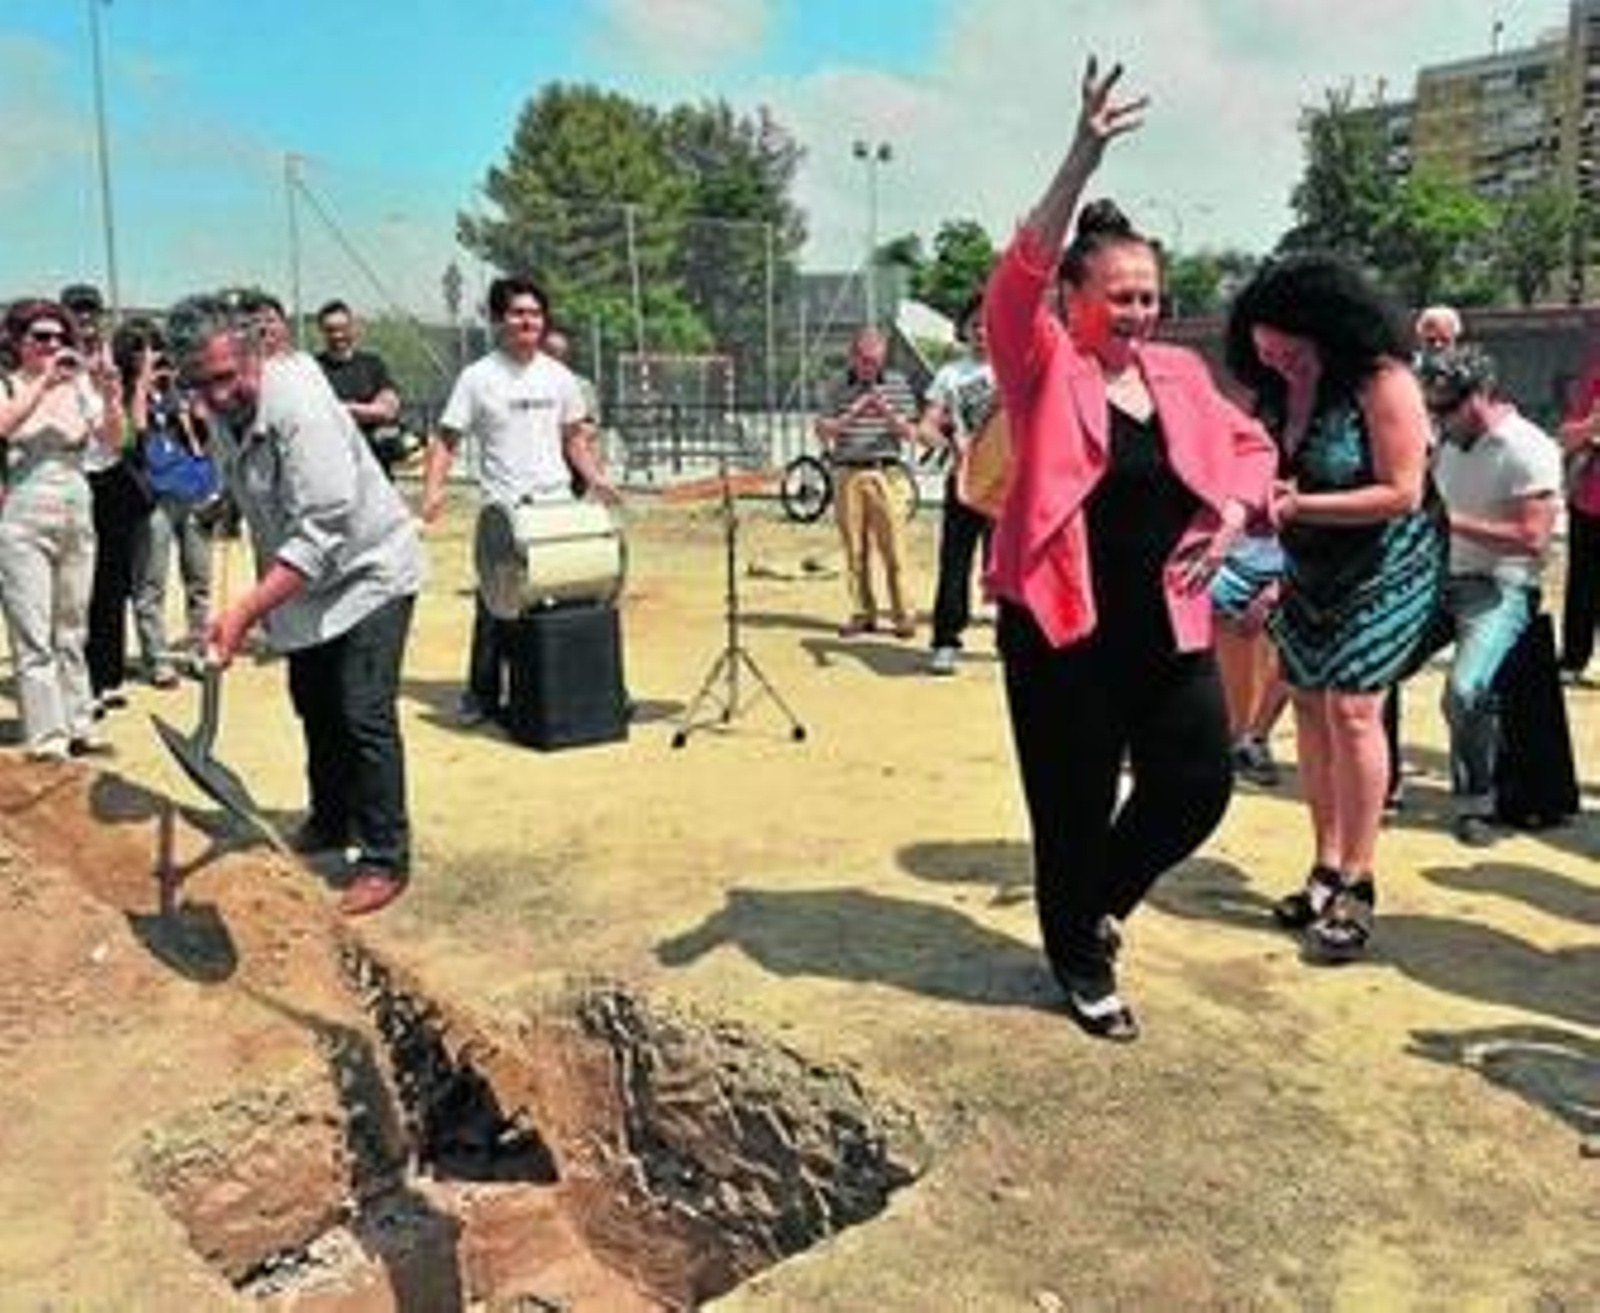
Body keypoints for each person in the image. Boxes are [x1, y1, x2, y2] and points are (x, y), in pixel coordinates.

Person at [983, 59, 1276, 1039]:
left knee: (1196, 783)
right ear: (1072, 295)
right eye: (1119, 295)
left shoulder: (1182, 373)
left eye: (1149, 295)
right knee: (1069, 804)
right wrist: (1083, 154)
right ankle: (1079, 957)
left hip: (1166, 623)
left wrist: (1231, 513)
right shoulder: (1041, 363)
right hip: (1060, 629)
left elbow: (1252, 450)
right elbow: (1018, 273)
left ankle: (1095, 901)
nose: (1138, 311)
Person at [167, 292, 425, 917]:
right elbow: (244, 473)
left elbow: (321, 534)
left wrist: (243, 613)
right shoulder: (222, 408)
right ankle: (332, 819)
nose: (217, 395)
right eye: (200, 384)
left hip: (367, 573)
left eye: (226, 377)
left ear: (255, 354)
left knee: (362, 713)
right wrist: (227, 503)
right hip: (302, 587)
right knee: (314, 702)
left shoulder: (301, 407)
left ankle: (385, 856)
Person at [1225, 256, 1445, 963]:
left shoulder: (1382, 381)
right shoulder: (1273, 392)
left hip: (1389, 564)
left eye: (1291, 352)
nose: (1280, 365)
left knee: (1353, 708)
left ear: (1328, 329)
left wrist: (1299, 505)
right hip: (1307, 566)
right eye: (1265, 355)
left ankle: (1358, 878)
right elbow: (1253, 469)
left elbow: (1403, 491)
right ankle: (1323, 865)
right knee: (1310, 705)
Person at [420, 275, 616, 727]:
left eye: (535, 314)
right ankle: (481, 695)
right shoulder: (477, 378)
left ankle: (562, 691)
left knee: (568, 595)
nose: (528, 321)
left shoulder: (559, 377)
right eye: (518, 313)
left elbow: (574, 438)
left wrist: (594, 478)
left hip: (557, 506)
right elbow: (446, 440)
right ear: (498, 319)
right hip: (504, 510)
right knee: (497, 605)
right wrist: (433, 490)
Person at [1418, 345, 1562, 846]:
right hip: (1441, 579)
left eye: (1447, 407)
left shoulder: (1527, 447)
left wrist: (1450, 522)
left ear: (1480, 395)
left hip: (1502, 584)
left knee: (1465, 691)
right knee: (1370, 665)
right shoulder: (1447, 443)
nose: (1438, 417)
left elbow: (1533, 538)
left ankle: (1476, 803)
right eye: (1432, 407)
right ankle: (1379, 781)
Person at [0, 298, 124, 759]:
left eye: (60, 337)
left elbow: (112, 442)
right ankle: (47, 736)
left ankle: (79, 724)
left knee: (72, 625)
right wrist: (43, 383)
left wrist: (110, 395)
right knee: (33, 628)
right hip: (25, 505)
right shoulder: (9, 384)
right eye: (41, 337)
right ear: (18, 341)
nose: (53, 345)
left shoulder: (79, 388)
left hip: (77, 497)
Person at [64, 286, 150, 716]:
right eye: (76, 312)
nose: (85, 320)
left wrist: (116, 385)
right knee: (81, 586)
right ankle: (85, 681)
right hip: (74, 479)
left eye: (91, 312)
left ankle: (110, 675)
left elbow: (131, 431)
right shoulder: (58, 366)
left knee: (114, 583)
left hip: (112, 478)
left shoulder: (113, 362)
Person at [123, 323, 218, 688]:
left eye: (157, 348)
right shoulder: (125, 390)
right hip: (155, 498)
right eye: (142, 349)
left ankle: (198, 650)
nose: (153, 356)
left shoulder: (179, 391)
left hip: (192, 491)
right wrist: (143, 379)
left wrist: (192, 406)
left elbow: (203, 434)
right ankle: (157, 659)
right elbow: (137, 426)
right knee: (151, 583)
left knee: (199, 578)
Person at [814, 326, 920, 639]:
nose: (868, 366)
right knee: (855, 550)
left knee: (894, 548)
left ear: (883, 357)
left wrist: (886, 412)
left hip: (886, 470)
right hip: (848, 471)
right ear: (852, 356)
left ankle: (903, 615)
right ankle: (863, 613)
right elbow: (823, 429)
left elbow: (911, 432)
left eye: (874, 360)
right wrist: (854, 412)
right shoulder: (836, 384)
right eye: (862, 359)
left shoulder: (897, 383)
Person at [917, 293, 996, 675]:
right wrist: (950, 443)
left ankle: (1012, 637)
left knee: (1009, 566)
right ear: (963, 329)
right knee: (955, 562)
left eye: (989, 323)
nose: (982, 331)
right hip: (964, 482)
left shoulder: (1017, 367)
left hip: (1009, 487)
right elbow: (926, 427)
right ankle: (946, 641)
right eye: (975, 324)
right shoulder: (950, 375)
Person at [314, 299, 417, 478]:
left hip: (375, 466)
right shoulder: (313, 368)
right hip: (330, 466)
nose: (338, 335)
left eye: (343, 328)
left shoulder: (372, 364)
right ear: (322, 332)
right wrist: (367, 410)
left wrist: (341, 409)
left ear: (353, 328)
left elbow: (388, 410)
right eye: (330, 330)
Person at [1557, 361, 1600, 686]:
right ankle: (1573, 658)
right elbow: (1567, 437)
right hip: (1589, 502)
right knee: (1582, 586)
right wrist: (1593, 425)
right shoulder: (1596, 372)